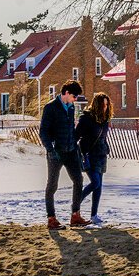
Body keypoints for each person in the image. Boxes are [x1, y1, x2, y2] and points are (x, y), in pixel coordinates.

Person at [39, 80, 87, 228]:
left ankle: (75, 215)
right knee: (52, 185)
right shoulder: (50, 107)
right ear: (66, 93)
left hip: (71, 150)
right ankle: (51, 218)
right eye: (73, 96)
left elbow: (71, 128)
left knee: (78, 180)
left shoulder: (71, 107)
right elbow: (43, 132)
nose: (75, 99)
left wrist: (75, 142)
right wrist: (50, 149)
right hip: (56, 152)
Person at [75, 92, 112, 224]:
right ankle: (76, 205)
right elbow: (76, 136)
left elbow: (103, 136)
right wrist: (79, 152)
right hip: (89, 155)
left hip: (101, 154)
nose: (105, 108)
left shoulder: (105, 119)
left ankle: (94, 215)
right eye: (103, 105)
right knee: (95, 182)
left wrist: (106, 146)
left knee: (99, 186)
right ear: (96, 105)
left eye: (107, 105)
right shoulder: (86, 119)